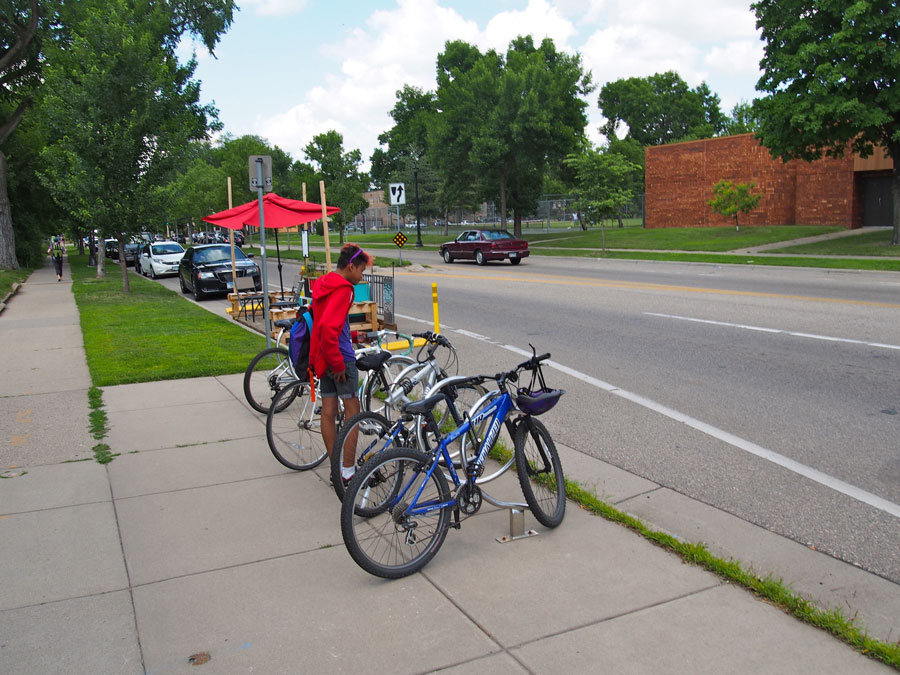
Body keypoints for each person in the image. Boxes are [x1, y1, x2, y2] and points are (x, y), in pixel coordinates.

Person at [309, 243, 371, 485]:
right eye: (362, 271)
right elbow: (328, 327)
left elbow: (326, 322)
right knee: (353, 413)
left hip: (324, 355)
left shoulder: (324, 283)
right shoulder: (345, 289)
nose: (362, 276)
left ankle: (336, 469)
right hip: (339, 359)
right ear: (351, 266)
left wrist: (352, 336)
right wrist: (338, 364)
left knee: (328, 411)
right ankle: (347, 472)